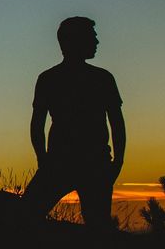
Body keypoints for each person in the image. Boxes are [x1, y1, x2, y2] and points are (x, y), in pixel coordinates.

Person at [21, 16, 126, 232]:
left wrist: (117, 162)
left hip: (78, 163)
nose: (97, 42)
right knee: (97, 228)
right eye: (92, 37)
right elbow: (117, 123)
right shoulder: (100, 78)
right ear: (76, 41)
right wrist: (117, 162)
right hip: (80, 163)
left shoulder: (50, 78)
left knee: (27, 217)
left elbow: (37, 125)